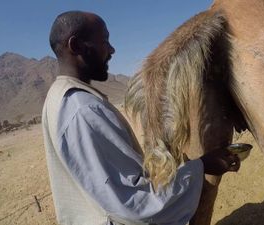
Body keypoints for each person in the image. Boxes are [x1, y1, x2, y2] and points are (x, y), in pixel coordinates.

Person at [42, 11, 241, 225]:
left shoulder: (57, 97)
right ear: (76, 46)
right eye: (104, 41)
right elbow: (136, 205)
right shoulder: (83, 111)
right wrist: (202, 166)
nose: (111, 49)